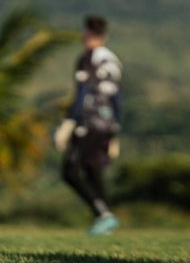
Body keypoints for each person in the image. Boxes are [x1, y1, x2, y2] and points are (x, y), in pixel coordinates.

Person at [54, 14, 122, 236]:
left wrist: (69, 122)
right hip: (106, 125)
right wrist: (115, 130)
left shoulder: (88, 58)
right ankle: (104, 219)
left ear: (87, 33)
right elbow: (117, 99)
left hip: (88, 124)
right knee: (94, 171)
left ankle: (103, 215)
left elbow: (82, 93)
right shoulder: (114, 60)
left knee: (70, 171)